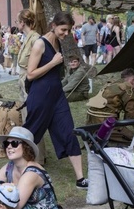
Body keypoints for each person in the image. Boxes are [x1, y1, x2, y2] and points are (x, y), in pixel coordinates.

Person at [24, 11, 87, 189]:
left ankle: (80, 178)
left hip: (57, 95)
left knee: (68, 132)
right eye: (63, 30)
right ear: (53, 25)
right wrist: (52, 62)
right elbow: (30, 74)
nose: (66, 34)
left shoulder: (58, 42)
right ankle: (18, 170)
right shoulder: (39, 44)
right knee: (32, 135)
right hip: (41, 96)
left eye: (69, 30)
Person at [86, 68, 134, 146]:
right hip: (106, 123)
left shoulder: (111, 83)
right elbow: (131, 114)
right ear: (132, 80)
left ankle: (97, 137)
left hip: (90, 122)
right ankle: (107, 142)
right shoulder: (127, 88)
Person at [16, 8, 40, 103]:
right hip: (23, 78)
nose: (16, 24)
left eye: (17, 21)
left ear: (22, 22)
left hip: (30, 80)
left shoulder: (35, 39)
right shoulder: (27, 38)